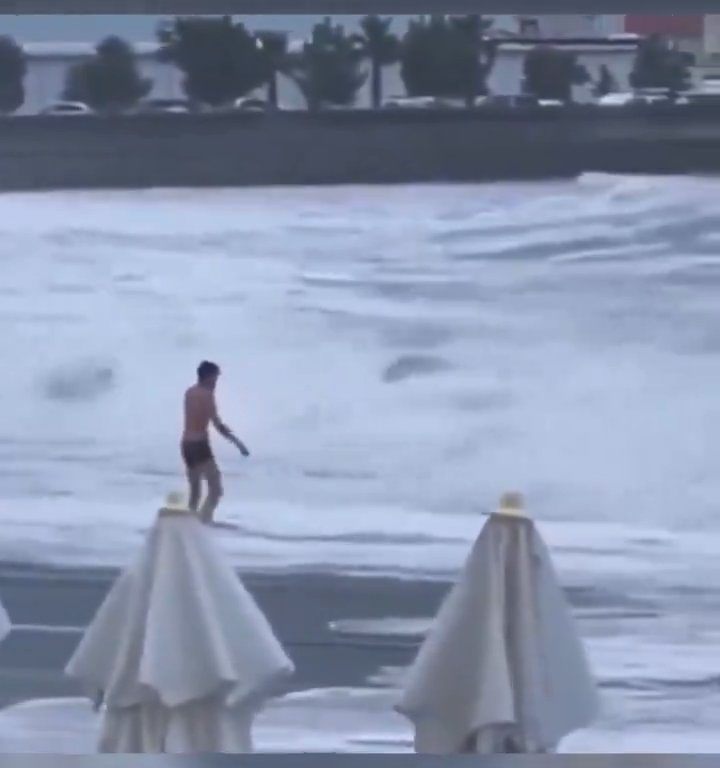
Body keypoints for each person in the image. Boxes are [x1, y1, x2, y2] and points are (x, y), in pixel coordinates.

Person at [181, 360, 249, 524]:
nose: (216, 382)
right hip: (200, 446)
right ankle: (203, 523)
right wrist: (238, 443)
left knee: (195, 492)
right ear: (208, 377)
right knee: (216, 489)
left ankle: (190, 524)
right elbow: (217, 425)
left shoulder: (189, 392)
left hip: (186, 445)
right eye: (215, 378)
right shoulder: (207, 395)